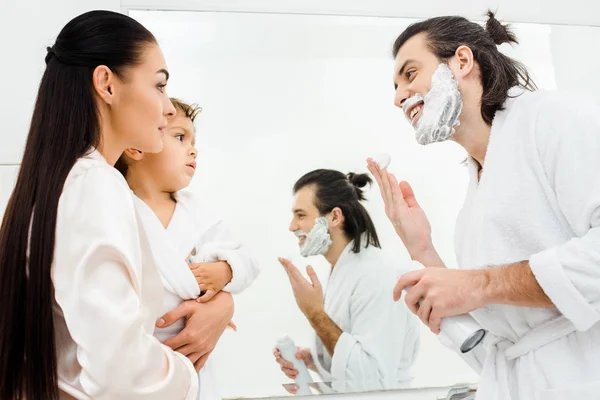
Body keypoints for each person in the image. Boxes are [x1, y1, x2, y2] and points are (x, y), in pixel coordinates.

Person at [367, 11, 600, 400]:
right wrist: (423, 250)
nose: (398, 97)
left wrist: (479, 284)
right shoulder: (476, 193)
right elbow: (498, 348)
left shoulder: (556, 118)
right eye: (395, 86)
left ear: (462, 61)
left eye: (409, 74)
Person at [0, 10, 200, 400]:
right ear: (107, 84)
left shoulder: (56, 182)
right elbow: (121, 374)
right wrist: (186, 374)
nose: (169, 108)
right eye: (159, 86)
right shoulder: (94, 185)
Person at [116, 97, 260, 400]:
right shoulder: (119, 207)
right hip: (139, 358)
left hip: (194, 361)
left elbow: (248, 261)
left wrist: (226, 270)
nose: (193, 149)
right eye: (180, 137)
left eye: (194, 140)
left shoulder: (199, 213)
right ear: (136, 147)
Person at [274, 169, 420, 393]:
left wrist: (314, 313)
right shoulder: (341, 271)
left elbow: (372, 383)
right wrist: (316, 361)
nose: (292, 226)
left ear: (334, 216)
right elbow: (355, 359)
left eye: (301, 215)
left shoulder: (376, 275)